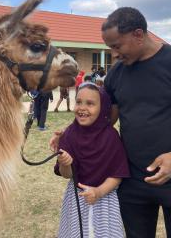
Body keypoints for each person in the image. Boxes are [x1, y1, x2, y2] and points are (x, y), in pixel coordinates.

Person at [52, 7, 171, 238]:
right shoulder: (117, 73)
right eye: (110, 47)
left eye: (117, 46)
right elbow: (103, 121)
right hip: (132, 177)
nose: (114, 54)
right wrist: (69, 134)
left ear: (138, 35)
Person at [54, 82, 130, 237]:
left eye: (90, 103)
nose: (82, 108)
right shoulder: (69, 134)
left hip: (104, 200)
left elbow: (117, 175)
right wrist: (65, 164)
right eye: (79, 102)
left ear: (103, 108)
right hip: (77, 198)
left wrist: (99, 192)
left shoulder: (111, 137)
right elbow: (67, 175)